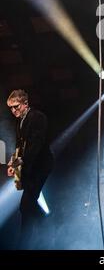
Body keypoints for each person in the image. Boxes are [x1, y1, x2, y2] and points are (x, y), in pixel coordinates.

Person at [7, 89, 53, 249]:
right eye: (11, 108)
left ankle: (24, 243)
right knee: (28, 205)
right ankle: (45, 231)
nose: (13, 111)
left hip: (41, 165)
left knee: (25, 205)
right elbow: (20, 146)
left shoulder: (37, 117)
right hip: (30, 168)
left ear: (25, 103)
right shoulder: (19, 121)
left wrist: (21, 161)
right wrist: (13, 164)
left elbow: (36, 145)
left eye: (16, 107)